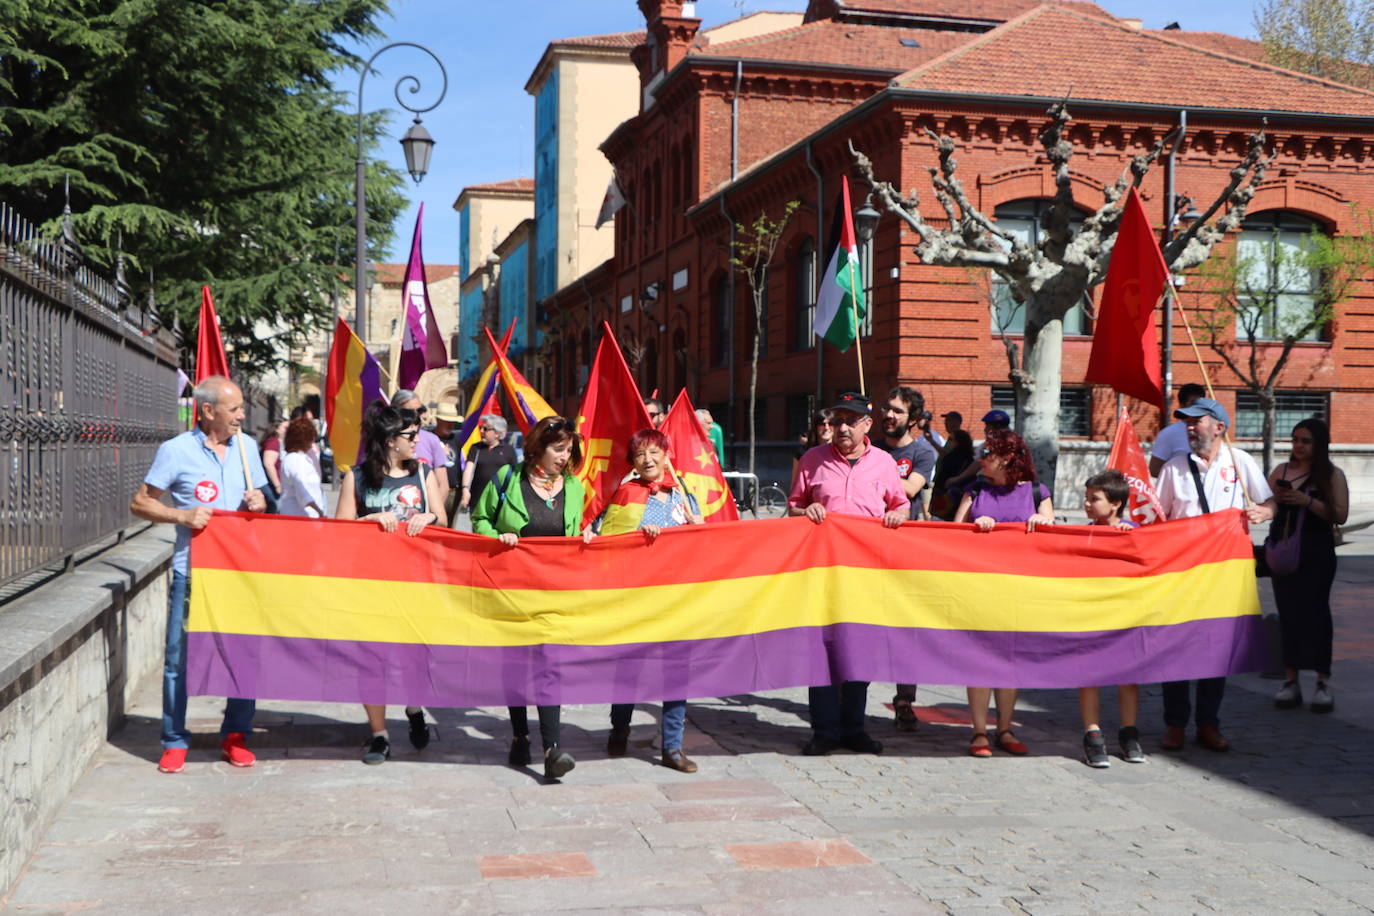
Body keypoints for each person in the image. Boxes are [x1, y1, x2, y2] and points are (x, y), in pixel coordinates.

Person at [130, 375, 268, 774]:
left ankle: (236, 735)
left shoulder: (247, 448)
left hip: (239, 572)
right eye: (235, 408)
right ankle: (174, 739)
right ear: (208, 412)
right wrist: (181, 515)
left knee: (243, 656)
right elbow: (140, 503)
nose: (243, 415)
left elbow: (260, 504)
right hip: (192, 571)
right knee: (178, 658)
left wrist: (259, 502)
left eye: (243, 407)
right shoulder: (174, 451)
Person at [472, 415, 592, 781]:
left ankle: (552, 749)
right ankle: (520, 735)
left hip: (556, 591)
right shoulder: (507, 480)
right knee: (517, 667)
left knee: (548, 666)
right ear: (537, 449)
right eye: (558, 449)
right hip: (512, 591)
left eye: (569, 450)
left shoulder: (574, 487)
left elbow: (577, 529)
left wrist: (585, 535)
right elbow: (479, 519)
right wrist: (498, 537)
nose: (564, 456)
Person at [788, 392, 908, 757]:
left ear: (867, 425)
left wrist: (898, 516)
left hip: (865, 572)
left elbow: (900, 504)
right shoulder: (812, 459)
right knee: (822, 650)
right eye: (837, 420)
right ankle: (824, 730)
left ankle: (854, 728)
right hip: (821, 572)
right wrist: (804, 511)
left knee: (859, 649)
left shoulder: (884, 463)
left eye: (851, 421)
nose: (842, 427)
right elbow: (793, 507)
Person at [1155, 397, 1275, 752]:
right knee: (1174, 647)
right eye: (1186, 423)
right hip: (1181, 572)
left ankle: (1209, 723)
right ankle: (1175, 724)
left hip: (1224, 574)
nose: (1189, 428)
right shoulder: (1175, 467)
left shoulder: (1241, 462)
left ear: (1219, 427)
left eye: (1197, 422)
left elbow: (1269, 502)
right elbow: (1157, 519)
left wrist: (1262, 513)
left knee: (1215, 649)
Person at [335, 403, 447, 764]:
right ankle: (379, 734)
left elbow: (444, 519)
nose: (419, 440)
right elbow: (339, 530)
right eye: (411, 435)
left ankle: (414, 707)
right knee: (372, 660)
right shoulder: (357, 477)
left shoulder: (423, 473)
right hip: (371, 584)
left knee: (413, 656)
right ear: (389, 440)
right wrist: (370, 519)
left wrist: (429, 515)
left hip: (416, 582)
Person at [599, 428, 705, 772]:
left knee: (676, 673)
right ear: (633, 461)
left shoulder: (684, 495)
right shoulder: (626, 494)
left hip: (676, 599)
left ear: (666, 455)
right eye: (641, 454)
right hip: (637, 597)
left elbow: (704, 545)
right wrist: (638, 538)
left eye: (654, 453)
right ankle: (620, 727)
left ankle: (672, 747)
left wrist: (697, 526)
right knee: (629, 668)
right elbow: (605, 539)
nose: (648, 460)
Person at [953, 428, 1053, 758]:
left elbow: (1054, 542)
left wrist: (1042, 522)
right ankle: (979, 732)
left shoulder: (1038, 492)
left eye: (988, 455)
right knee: (979, 660)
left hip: (1019, 590)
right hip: (980, 589)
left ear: (1008, 458)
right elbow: (950, 539)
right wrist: (972, 528)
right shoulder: (975, 490)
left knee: (1010, 660)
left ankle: (1004, 728)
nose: (981, 460)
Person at [1269, 418, 1348, 713]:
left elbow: (1340, 514)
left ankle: (1322, 681)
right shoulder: (1282, 470)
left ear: (1319, 444)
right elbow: (1271, 503)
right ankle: (1291, 681)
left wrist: (1306, 500)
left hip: (1316, 552)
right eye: (1295, 440)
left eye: (1305, 441)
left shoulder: (1331, 475)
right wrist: (1268, 506)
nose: (1299, 446)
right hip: (1285, 549)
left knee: (1316, 614)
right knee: (1288, 614)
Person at [875, 385, 939, 731]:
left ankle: (904, 700)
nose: (889, 415)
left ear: (912, 419)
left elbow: (909, 490)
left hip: (904, 552)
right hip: (866, 549)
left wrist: (869, 479)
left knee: (905, 628)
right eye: (887, 408)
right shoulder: (867, 448)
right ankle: (852, 695)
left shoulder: (923, 452)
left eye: (898, 411)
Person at [1076, 469, 1144, 768]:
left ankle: (1129, 733)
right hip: (1091, 613)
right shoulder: (1085, 533)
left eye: (1095, 499)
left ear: (1115, 504)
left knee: (1127, 678)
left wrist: (1129, 543)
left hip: (1124, 614)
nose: (1088, 504)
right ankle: (1093, 734)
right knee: (1089, 676)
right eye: (1087, 498)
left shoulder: (1133, 532)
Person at [391, 389, 450, 508]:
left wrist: (432, 514)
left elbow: (443, 485)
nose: (417, 415)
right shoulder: (384, 440)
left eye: (420, 410)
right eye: (411, 411)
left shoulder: (432, 439)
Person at [943, 408, 1011, 494]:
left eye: (987, 426)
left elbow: (978, 463)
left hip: (988, 488)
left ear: (996, 427)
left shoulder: (988, 446)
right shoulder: (1018, 444)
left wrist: (957, 479)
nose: (985, 430)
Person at [461, 414, 518, 511]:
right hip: (477, 500)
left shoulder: (509, 450)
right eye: (480, 428)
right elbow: (468, 469)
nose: (481, 431)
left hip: (500, 502)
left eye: (485, 429)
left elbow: (514, 475)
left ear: (497, 433)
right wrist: (465, 489)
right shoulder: (476, 448)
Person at [1149, 383, 1207, 477]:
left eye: (1201, 403)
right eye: (1193, 403)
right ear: (1182, 405)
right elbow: (1154, 470)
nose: (1198, 407)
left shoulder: (1210, 430)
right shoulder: (1168, 434)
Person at [278, 417, 326, 518]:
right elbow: (302, 491)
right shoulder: (295, 460)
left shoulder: (301, 457)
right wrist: (319, 512)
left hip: (306, 515)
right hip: (300, 516)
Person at [930, 429, 975, 520]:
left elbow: (941, 479)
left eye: (951, 439)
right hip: (964, 498)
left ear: (958, 442)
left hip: (947, 497)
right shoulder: (971, 458)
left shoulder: (950, 457)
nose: (948, 441)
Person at [432, 401, 463, 520]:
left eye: (453, 422)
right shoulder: (430, 439)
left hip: (455, 492)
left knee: (451, 528)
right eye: (447, 422)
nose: (451, 425)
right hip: (435, 492)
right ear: (438, 420)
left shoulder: (457, 439)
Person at [790, 409, 833, 490]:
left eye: (830, 424)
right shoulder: (803, 453)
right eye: (822, 424)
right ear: (815, 427)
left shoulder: (841, 451)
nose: (826, 428)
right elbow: (795, 483)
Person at [260, 418, 287, 497]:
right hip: (273, 487)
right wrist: (277, 485)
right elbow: (268, 464)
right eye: (285, 427)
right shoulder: (273, 442)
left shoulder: (280, 442)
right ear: (276, 429)